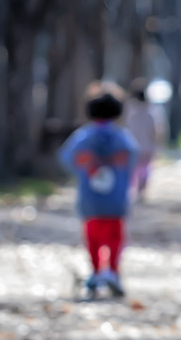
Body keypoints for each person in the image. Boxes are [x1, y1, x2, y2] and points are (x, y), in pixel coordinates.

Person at [58, 82, 139, 299]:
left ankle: (95, 272)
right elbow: (133, 157)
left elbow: (66, 158)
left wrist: (85, 167)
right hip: (117, 198)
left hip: (90, 198)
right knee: (115, 236)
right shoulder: (122, 137)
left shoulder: (83, 136)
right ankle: (112, 270)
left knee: (92, 236)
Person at [122, 79, 160, 199]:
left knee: (132, 169)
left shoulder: (129, 110)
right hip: (146, 146)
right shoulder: (149, 111)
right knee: (145, 169)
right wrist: (155, 144)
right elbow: (153, 130)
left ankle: (130, 191)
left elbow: (125, 127)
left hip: (132, 145)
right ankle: (141, 191)